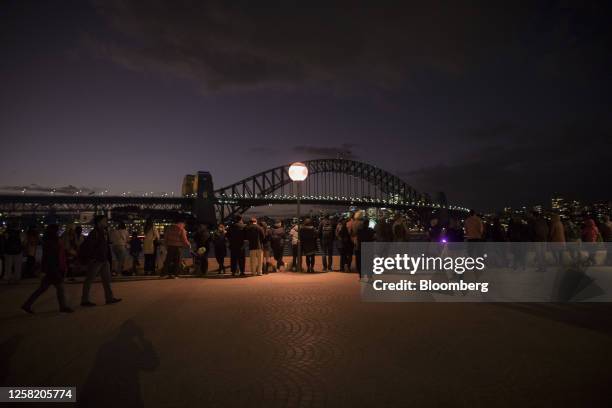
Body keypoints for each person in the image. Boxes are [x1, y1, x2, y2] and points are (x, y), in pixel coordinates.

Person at [22, 224, 74, 314]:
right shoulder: (53, 242)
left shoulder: (48, 241)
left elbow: (47, 257)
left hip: (50, 269)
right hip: (53, 269)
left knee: (42, 289)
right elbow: (53, 257)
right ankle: (63, 307)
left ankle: (27, 304)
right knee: (60, 288)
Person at [80, 215, 121, 306]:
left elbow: (104, 246)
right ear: (99, 222)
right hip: (97, 260)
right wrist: (92, 258)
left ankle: (109, 298)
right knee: (89, 280)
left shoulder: (104, 232)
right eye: (104, 221)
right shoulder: (94, 233)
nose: (106, 222)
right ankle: (84, 300)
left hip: (104, 259)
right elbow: (90, 247)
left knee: (107, 280)